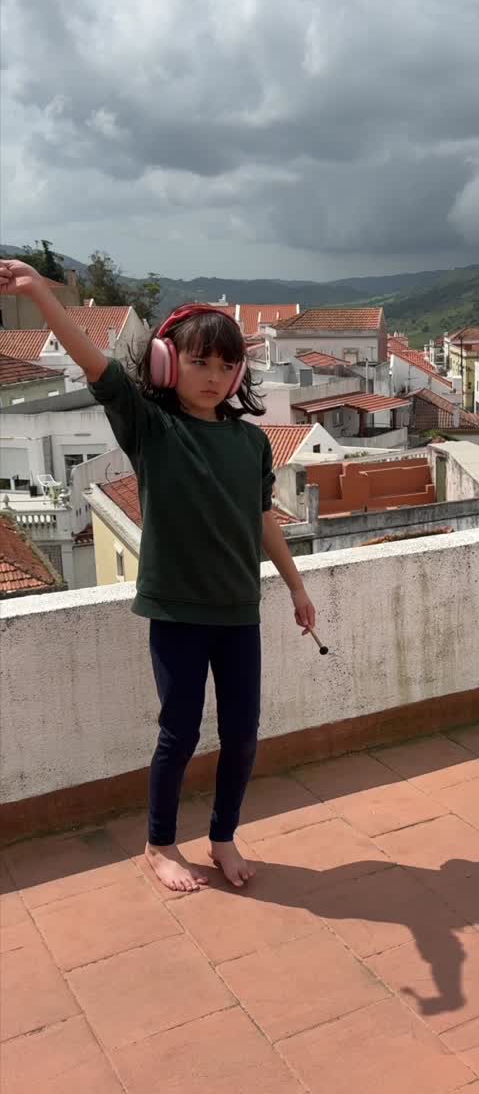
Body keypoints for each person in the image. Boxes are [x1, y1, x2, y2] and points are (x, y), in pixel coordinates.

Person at [0, 260, 316, 893]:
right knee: (179, 731)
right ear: (171, 364)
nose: (215, 377)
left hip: (237, 611)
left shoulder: (251, 444)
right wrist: (38, 293)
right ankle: (159, 844)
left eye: (227, 367)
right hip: (176, 612)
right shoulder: (152, 426)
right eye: (200, 363)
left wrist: (298, 586)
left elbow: (262, 520)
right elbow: (97, 364)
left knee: (243, 735)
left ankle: (222, 835)